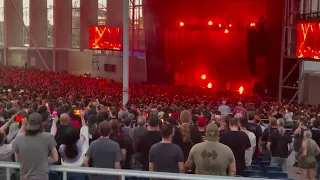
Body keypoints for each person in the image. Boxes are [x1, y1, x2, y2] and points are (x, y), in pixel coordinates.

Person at [13, 113, 58, 180]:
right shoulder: (48, 137)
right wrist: (42, 160)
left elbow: (18, 159)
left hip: (24, 177)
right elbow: (55, 158)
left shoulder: (18, 138)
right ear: (41, 124)